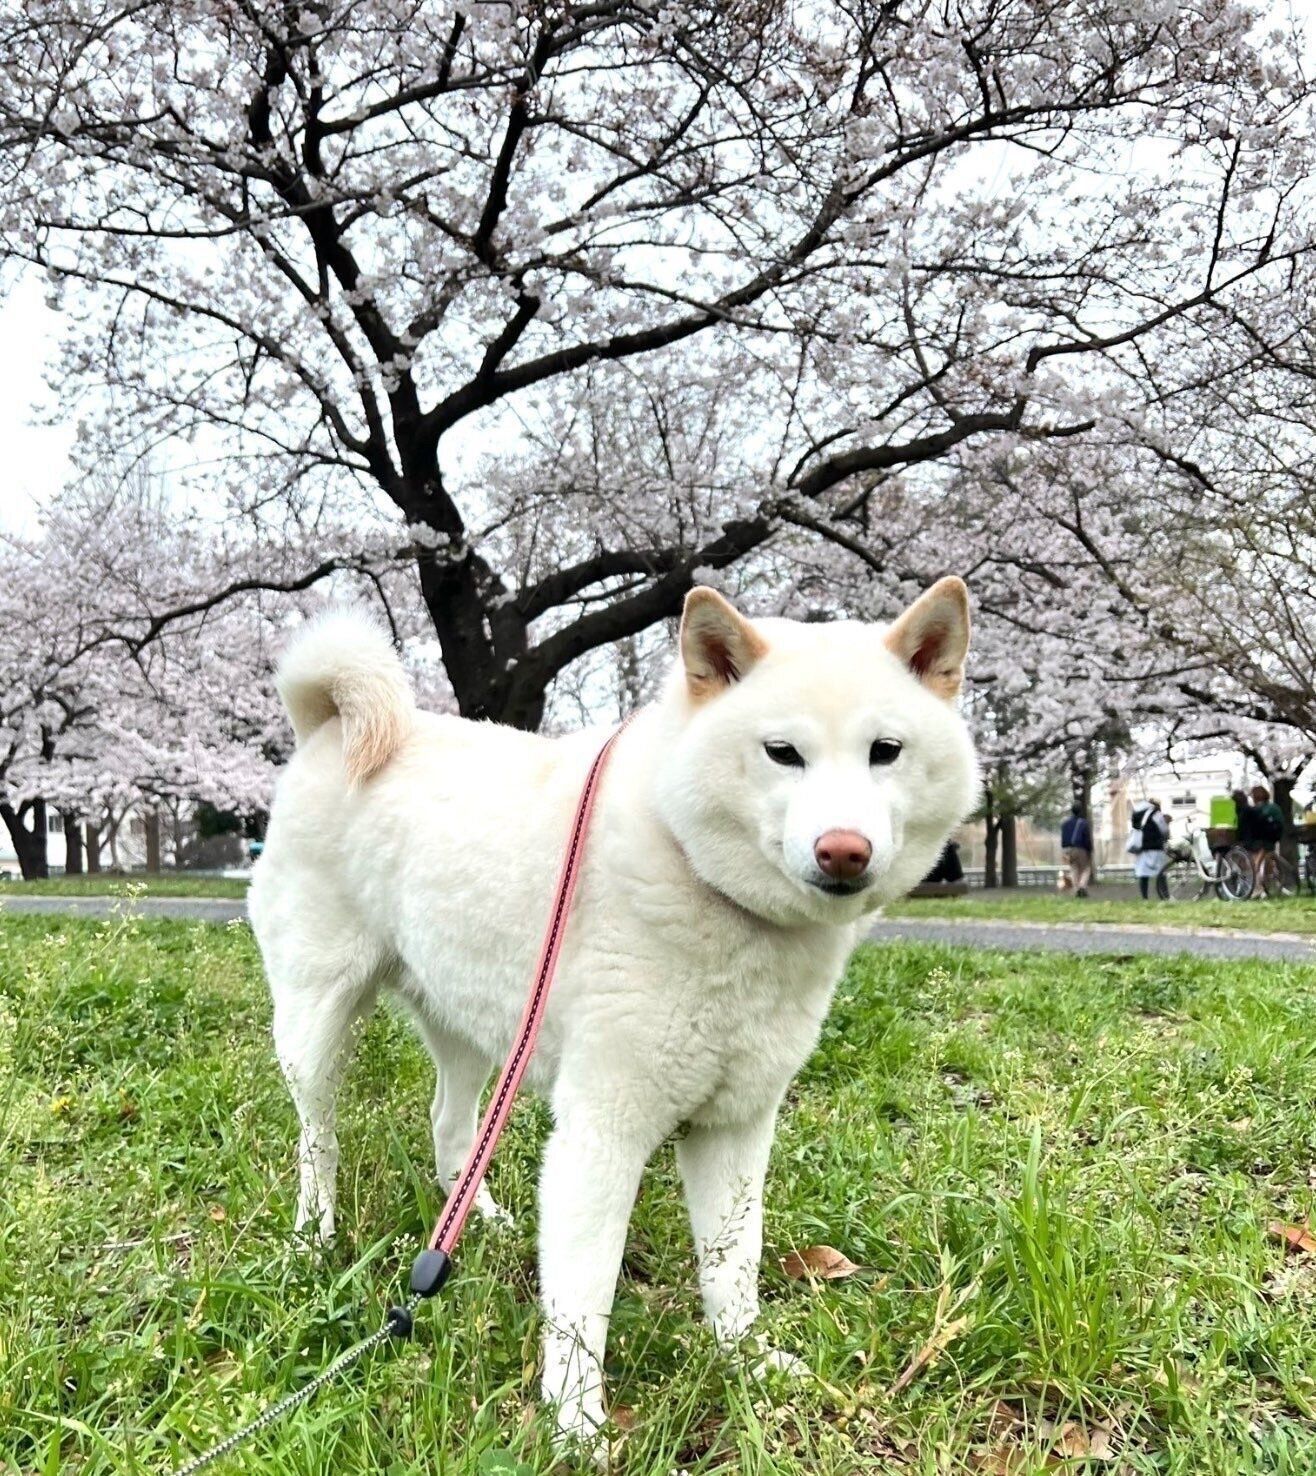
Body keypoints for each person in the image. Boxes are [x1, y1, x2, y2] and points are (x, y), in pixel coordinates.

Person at [1130, 797, 1170, 900]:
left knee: (1143, 874)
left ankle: (1144, 897)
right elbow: (1164, 830)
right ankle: (1165, 896)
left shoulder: (1138, 813)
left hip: (1142, 847)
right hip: (1156, 846)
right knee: (1161, 873)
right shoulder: (1155, 813)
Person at [1060, 803, 1093, 897]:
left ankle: (1076, 889)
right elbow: (1087, 838)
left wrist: (1064, 851)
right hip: (1081, 848)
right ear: (1080, 811)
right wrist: (1089, 850)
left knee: (1074, 868)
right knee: (1085, 868)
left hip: (1068, 849)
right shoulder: (1083, 823)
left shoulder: (1065, 823)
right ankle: (1082, 886)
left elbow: (1063, 838)